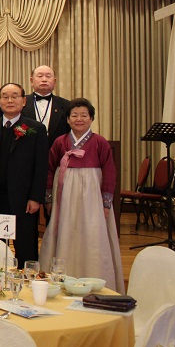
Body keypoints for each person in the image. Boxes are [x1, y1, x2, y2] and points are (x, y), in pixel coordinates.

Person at [39, 98, 125, 293]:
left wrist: (106, 202)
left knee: (93, 234)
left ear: (91, 118)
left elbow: (109, 173)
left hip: (91, 197)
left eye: (84, 115)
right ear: (68, 119)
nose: (79, 119)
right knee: (65, 231)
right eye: (74, 115)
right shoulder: (60, 142)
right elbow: (50, 170)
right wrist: (48, 198)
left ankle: (93, 275)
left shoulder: (100, 142)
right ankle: (62, 278)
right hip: (64, 195)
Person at [0, 83, 47, 265]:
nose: (10, 100)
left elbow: (41, 166)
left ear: (24, 101)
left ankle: (26, 280)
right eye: (5, 96)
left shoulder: (36, 129)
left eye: (14, 96)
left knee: (25, 247)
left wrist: (35, 197)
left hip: (23, 200)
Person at [22, 65, 70, 148]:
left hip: (56, 151)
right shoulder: (21, 102)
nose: (44, 79)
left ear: (55, 82)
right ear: (31, 81)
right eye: (40, 76)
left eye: (48, 76)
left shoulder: (66, 105)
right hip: (27, 150)